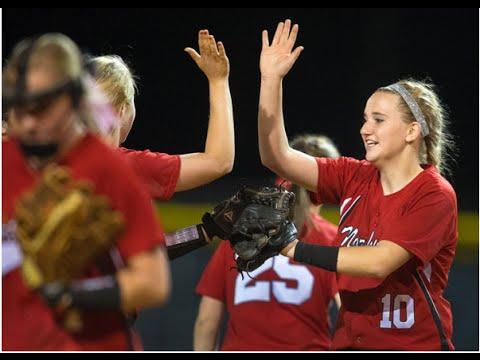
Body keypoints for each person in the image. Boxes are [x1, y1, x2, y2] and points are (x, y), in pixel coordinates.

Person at [255, 20, 457, 350]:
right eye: (365, 118)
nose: (365, 128)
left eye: (378, 119)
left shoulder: (434, 193)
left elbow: (379, 263)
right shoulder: (355, 175)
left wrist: (294, 249)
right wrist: (271, 81)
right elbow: (276, 156)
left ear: (412, 132)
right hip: (350, 343)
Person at [2, 33, 171, 351]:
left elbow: (153, 282)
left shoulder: (107, 169)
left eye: (41, 107)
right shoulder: (5, 161)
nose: (26, 121)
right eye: (18, 106)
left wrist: (73, 293)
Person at [194, 134, 341, 351]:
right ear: (330, 188)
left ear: (281, 177)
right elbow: (350, 314)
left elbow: (207, 321)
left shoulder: (242, 230)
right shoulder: (333, 239)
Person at [89, 29, 234, 200]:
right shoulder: (126, 167)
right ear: (121, 111)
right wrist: (218, 81)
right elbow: (219, 162)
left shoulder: (58, 162)